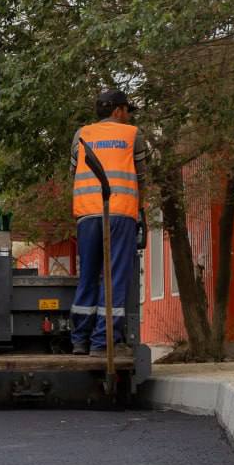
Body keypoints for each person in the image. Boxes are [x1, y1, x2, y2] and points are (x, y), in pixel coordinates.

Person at [70, 89, 144, 356]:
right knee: (114, 279)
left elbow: (73, 173)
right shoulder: (132, 134)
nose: (128, 116)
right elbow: (141, 177)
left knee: (87, 276)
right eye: (127, 110)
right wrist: (140, 209)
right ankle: (102, 343)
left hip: (88, 214)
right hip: (120, 214)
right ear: (117, 111)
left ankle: (79, 340)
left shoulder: (81, 135)